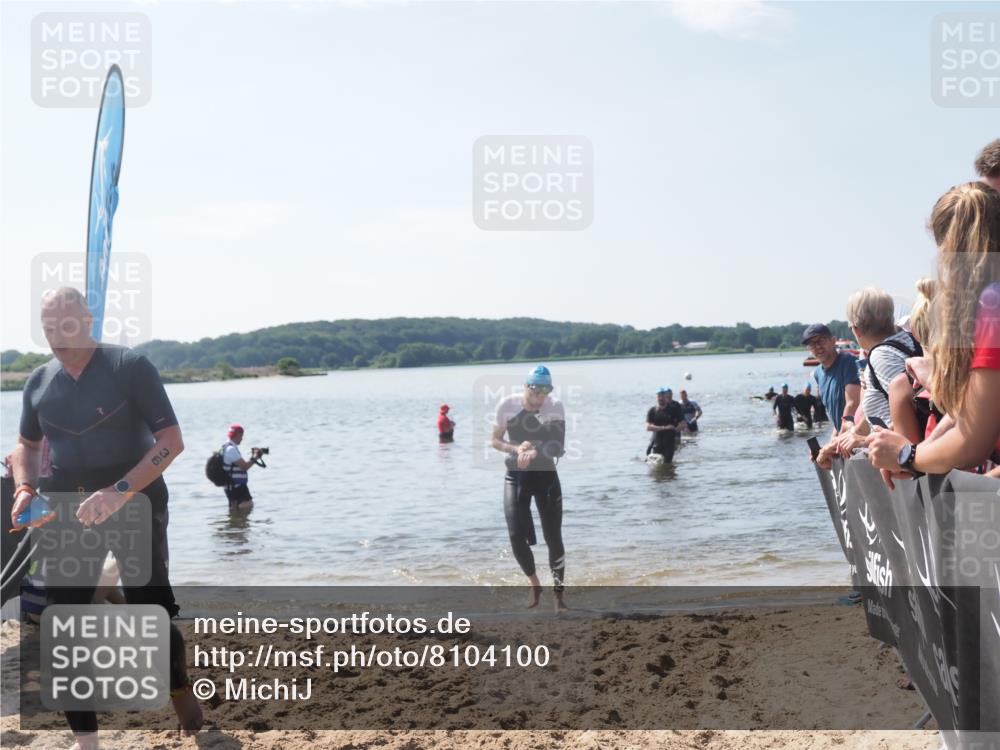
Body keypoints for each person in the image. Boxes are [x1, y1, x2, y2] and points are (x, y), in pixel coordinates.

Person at [8, 287, 201, 749]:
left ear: (88, 321)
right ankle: (87, 741)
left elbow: (171, 441)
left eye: (66, 326)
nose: (57, 336)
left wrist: (118, 493)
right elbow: (27, 447)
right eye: (49, 328)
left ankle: (179, 690)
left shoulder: (129, 367)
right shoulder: (38, 382)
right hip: (71, 511)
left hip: (136, 501)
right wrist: (24, 487)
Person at [870, 182, 1000, 481]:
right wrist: (915, 458)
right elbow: (966, 413)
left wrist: (908, 456)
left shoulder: (993, 301)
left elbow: (972, 442)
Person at [490, 365, 567, 611]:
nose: (541, 398)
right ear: (526, 387)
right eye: (536, 391)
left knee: (553, 537)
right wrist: (516, 449)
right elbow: (495, 440)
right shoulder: (507, 405)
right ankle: (535, 583)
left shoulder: (554, 407)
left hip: (546, 477)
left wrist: (535, 449)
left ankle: (558, 595)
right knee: (515, 535)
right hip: (515, 476)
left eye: (546, 391)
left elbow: (558, 447)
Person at [836, 288, 923, 457]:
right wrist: (851, 435)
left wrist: (863, 441)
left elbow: (911, 411)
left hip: (906, 460)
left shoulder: (882, 356)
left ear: (856, 329)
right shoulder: (909, 339)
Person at [803, 323, 862, 467]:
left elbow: (852, 404)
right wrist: (830, 445)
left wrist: (835, 444)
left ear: (833, 340)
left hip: (858, 439)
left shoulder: (848, 363)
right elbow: (836, 413)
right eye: (811, 344)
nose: (817, 347)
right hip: (843, 443)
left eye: (821, 340)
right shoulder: (817, 373)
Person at [221, 424, 263, 512]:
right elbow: (244, 467)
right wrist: (255, 457)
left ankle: (235, 523)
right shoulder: (231, 449)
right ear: (238, 435)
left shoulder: (225, 448)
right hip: (237, 486)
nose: (242, 439)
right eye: (242, 436)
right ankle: (239, 523)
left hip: (230, 486)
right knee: (247, 506)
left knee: (235, 510)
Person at [645, 387, 684, 462]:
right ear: (656, 397)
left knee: (667, 465)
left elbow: (683, 424)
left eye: (662, 396)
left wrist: (675, 430)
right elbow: (648, 427)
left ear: (666, 397)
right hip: (657, 442)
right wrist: (664, 428)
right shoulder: (652, 410)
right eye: (659, 396)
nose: (661, 398)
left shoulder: (673, 409)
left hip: (669, 443)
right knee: (654, 467)